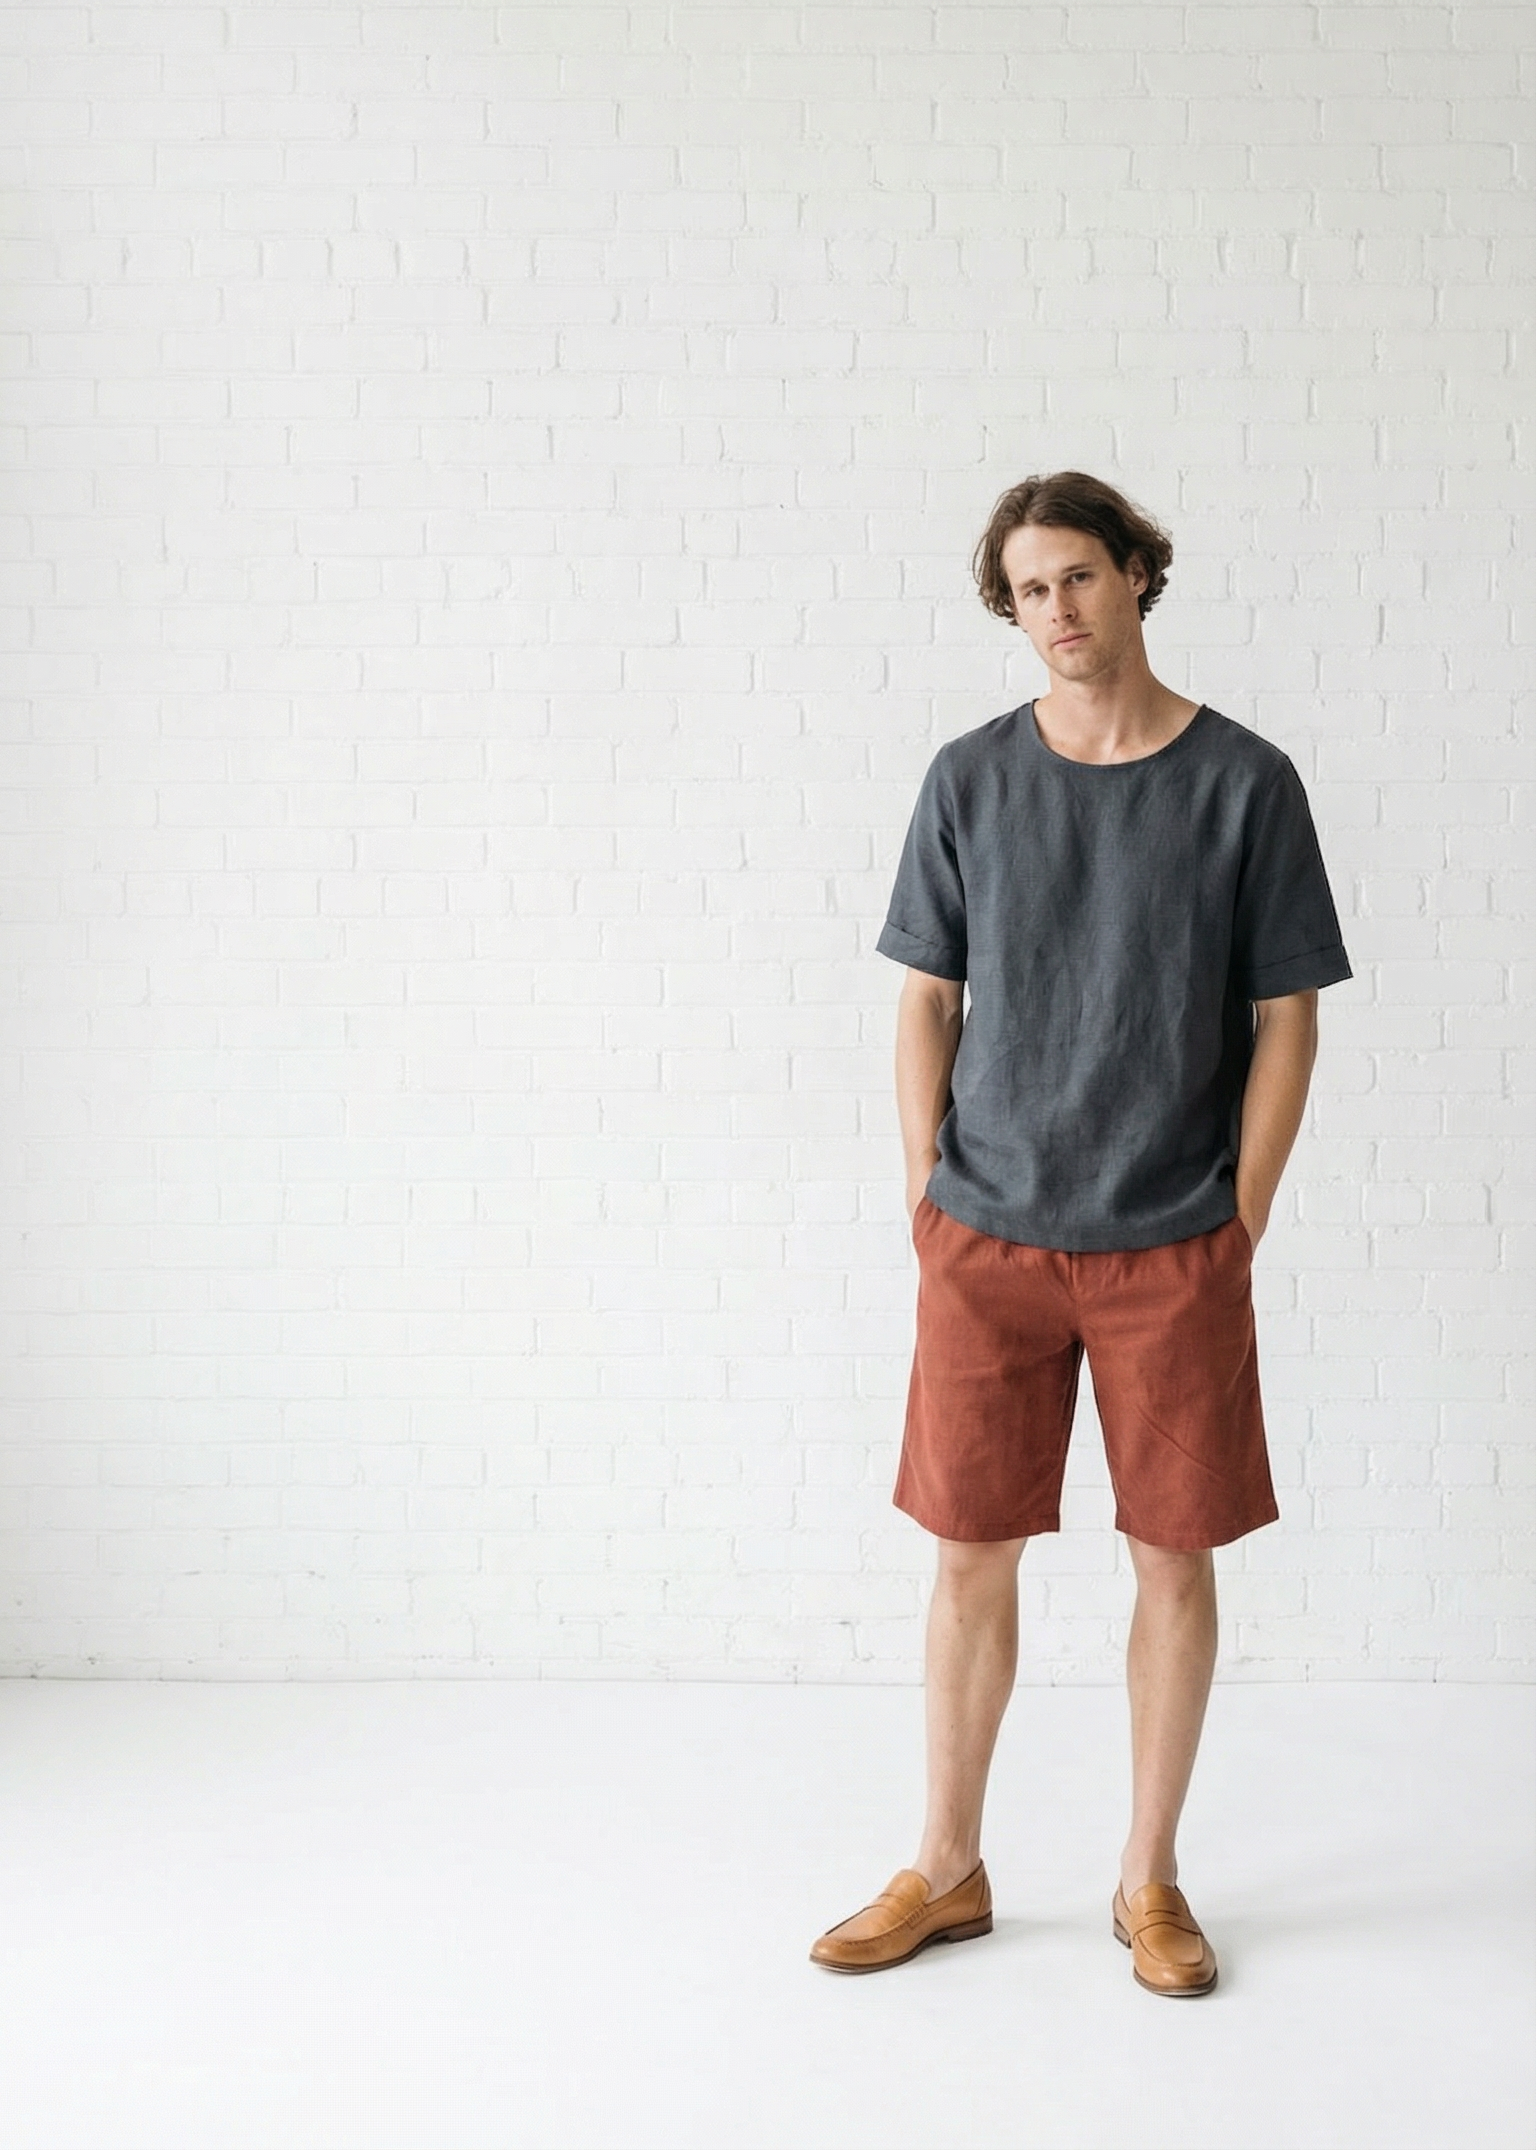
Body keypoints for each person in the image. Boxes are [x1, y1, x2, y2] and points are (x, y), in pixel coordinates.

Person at [810, 472, 1352, 1996]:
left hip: (1172, 1239)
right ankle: (947, 1865)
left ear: (1137, 576)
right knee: (968, 1555)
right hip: (986, 1235)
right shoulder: (969, 779)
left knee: (1172, 1560)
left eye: (1080, 577)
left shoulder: (1246, 783)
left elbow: (1290, 1015)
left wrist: (1241, 1213)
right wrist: (924, 1191)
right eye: (1029, 588)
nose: (1056, 609)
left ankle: (1149, 1878)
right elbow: (926, 996)